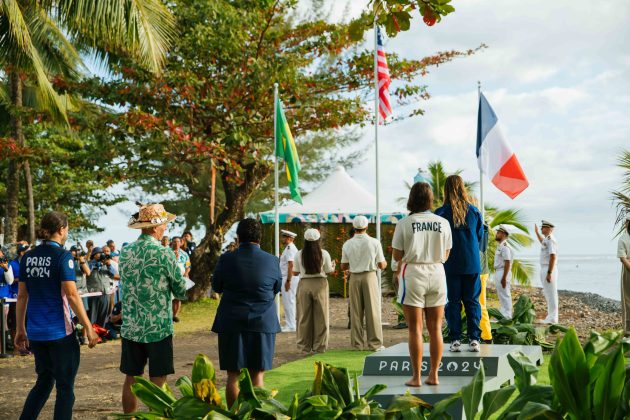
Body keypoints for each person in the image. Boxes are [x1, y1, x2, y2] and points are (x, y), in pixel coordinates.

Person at [14, 211, 98, 420]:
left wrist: (20, 329)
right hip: (60, 332)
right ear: (61, 230)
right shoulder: (63, 256)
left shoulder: (28, 257)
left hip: (36, 332)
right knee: (65, 387)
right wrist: (88, 326)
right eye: (67, 229)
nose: (67, 232)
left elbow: (22, 296)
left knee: (43, 382)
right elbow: (71, 294)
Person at [119, 203, 188, 414]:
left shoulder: (125, 252)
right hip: (158, 326)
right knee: (158, 379)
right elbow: (180, 289)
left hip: (131, 324)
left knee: (132, 377)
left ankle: (128, 419)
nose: (165, 228)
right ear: (155, 227)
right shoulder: (164, 253)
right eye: (164, 225)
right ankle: (155, 418)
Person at [211, 218, 281, 408]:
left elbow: (217, 286)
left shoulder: (226, 259)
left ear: (238, 236)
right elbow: (276, 288)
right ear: (260, 237)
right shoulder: (273, 260)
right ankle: (255, 414)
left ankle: (235, 414)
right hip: (262, 322)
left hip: (231, 321)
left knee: (233, 375)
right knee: (257, 374)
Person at [392, 182, 452, 387]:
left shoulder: (404, 223)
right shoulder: (443, 222)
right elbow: (446, 253)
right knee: (435, 328)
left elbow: (397, 254)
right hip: (437, 271)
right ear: (430, 199)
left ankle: (416, 377)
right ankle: (434, 375)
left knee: (415, 329)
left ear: (411, 199)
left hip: (414, 272)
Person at [435, 175, 484, 352]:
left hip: (450, 264)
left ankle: (455, 339)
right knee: (472, 301)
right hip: (471, 262)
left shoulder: (440, 213)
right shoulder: (474, 211)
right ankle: (474, 339)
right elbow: (480, 237)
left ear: (446, 190)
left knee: (453, 302)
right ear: (463, 188)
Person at [341, 215, 387, 351]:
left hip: (354, 278)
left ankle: (357, 344)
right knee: (373, 310)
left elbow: (343, 266)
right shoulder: (374, 242)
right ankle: (375, 344)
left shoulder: (347, 244)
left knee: (356, 312)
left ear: (354, 227)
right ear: (366, 227)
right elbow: (382, 264)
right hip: (370, 277)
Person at [293, 228, 335, 354]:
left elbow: (295, 272)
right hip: (320, 284)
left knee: (303, 316)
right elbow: (328, 271)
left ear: (305, 240)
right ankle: (319, 346)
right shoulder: (324, 253)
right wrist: (333, 266)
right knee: (321, 316)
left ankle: (303, 346)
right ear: (318, 240)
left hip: (304, 284)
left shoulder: (299, 254)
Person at [535, 220, 558, 324]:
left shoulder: (551, 240)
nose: (541, 229)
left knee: (551, 294)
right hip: (545, 268)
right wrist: (536, 233)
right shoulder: (547, 240)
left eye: (543, 227)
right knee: (548, 293)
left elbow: (553, 256)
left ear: (549, 228)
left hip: (549, 269)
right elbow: (542, 242)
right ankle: (551, 317)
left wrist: (549, 272)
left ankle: (553, 318)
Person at [86, 247, 117, 327]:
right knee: (92, 317)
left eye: (101, 253)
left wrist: (108, 264)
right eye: (98, 253)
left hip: (105, 294)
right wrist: (97, 264)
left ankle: (101, 334)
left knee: (103, 316)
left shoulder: (106, 264)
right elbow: (87, 272)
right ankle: (92, 335)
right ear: (94, 254)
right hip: (93, 295)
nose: (101, 255)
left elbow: (114, 275)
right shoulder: (89, 263)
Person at [70, 245, 91, 345]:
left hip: (82, 292)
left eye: (78, 251)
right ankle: (75, 336)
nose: (76, 253)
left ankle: (85, 336)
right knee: (73, 317)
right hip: (72, 292)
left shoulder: (82, 261)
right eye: (74, 251)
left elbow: (88, 272)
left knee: (84, 315)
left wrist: (81, 261)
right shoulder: (68, 261)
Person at [280, 230, 299, 332]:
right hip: (288, 277)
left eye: (284, 237)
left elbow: (291, 265)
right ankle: (289, 323)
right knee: (288, 301)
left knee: (289, 301)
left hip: (289, 278)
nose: (282, 238)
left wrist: (288, 280)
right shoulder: (288, 248)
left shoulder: (290, 248)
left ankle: (291, 325)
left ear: (290, 238)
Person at [493, 225, 513, 318]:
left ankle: (508, 315)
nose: (496, 234)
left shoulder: (505, 246)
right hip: (499, 271)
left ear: (504, 234)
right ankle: (503, 313)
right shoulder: (501, 245)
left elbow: (507, 262)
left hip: (503, 272)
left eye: (498, 233)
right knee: (501, 294)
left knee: (505, 294)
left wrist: (504, 278)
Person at [170, 236, 191, 322]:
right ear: (171, 243)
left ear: (181, 243)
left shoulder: (185, 254)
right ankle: (169, 315)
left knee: (178, 297)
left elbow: (188, 265)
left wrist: (186, 273)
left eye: (178, 242)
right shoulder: (167, 252)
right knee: (170, 297)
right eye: (174, 241)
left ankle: (175, 315)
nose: (176, 243)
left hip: (181, 278)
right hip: (170, 278)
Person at [618, 214, 630, 337]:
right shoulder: (623, 239)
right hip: (628, 270)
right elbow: (623, 258)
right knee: (628, 301)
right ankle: (628, 332)